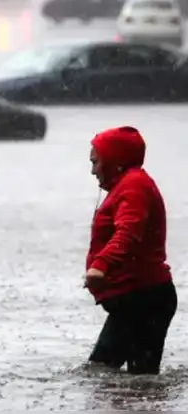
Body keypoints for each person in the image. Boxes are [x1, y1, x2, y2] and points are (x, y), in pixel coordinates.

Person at [84, 126, 177, 375]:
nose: (92, 170)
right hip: (137, 299)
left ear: (114, 159)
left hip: (145, 298)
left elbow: (128, 233)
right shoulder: (127, 185)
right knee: (109, 377)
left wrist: (101, 265)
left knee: (117, 376)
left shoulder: (134, 186)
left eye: (96, 162)